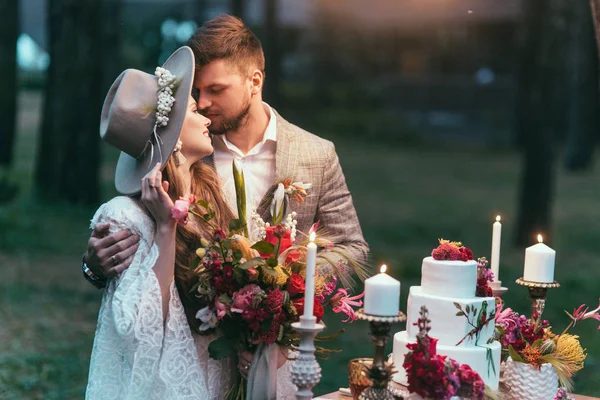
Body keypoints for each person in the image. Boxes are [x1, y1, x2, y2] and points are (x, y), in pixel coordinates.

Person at [82, 14, 369, 377]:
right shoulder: (185, 147)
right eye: (197, 92)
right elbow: (140, 244)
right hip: (196, 358)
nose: (202, 103)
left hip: (278, 358)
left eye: (216, 90)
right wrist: (93, 267)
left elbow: (352, 248)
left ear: (254, 81)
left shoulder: (316, 154)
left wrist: (284, 293)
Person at [85, 46, 295, 400]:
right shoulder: (126, 215)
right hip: (166, 384)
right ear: (172, 134)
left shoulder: (207, 192)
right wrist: (166, 229)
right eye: (196, 111)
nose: (208, 117)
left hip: (213, 373)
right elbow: (141, 328)